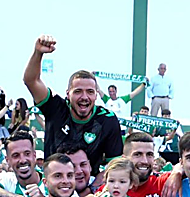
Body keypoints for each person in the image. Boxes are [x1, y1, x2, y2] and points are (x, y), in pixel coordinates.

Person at [23, 36, 122, 168]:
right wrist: (38, 53)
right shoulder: (56, 107)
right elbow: (31, 81)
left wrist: (95, 181)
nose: (84, 97)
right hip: (54, 178)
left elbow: (114, 165)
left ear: (96, 95)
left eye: (90, 92)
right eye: (78, 91)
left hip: (90, 180)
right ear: (68, 94)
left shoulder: (107, 119)